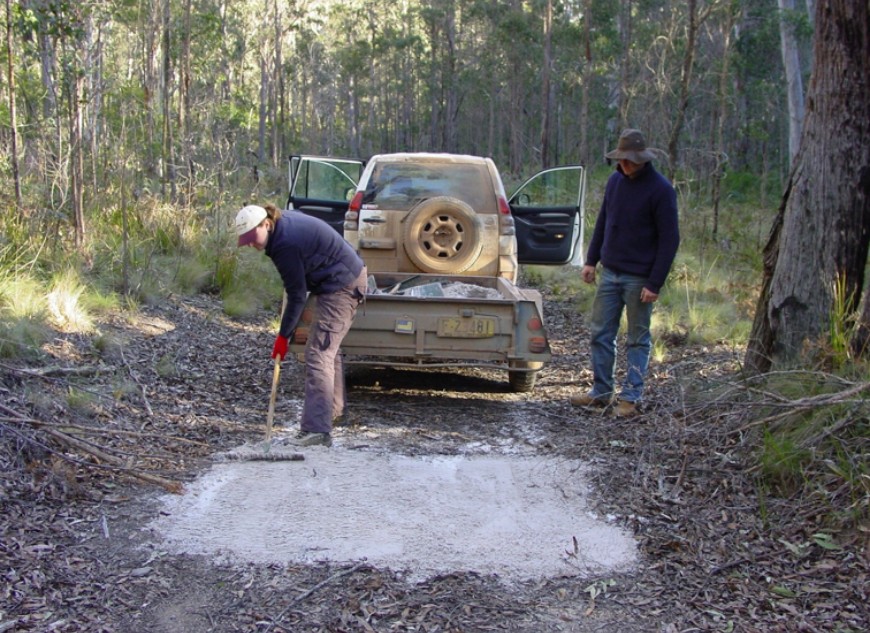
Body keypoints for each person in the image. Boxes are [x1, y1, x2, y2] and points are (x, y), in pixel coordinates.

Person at [235, 203, 367, 446]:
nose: (251, 245)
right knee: (327, 350)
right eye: (246, 241)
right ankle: (331, 413)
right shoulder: (282, 226)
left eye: (253, 238)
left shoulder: (285, 244)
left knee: (318, 354)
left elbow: (296, 294)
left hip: (342, 283)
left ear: (266, 224)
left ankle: (317, 431)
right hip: (338, 276)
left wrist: (283, 337)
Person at [570, 129, 680, 417]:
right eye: (622, 160)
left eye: (630, 161)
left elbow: (670, 240)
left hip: (639, 278)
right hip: (610, 272)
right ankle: (602, 392)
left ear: (642, 159)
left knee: (637, 339)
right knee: (601, 333)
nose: (625, 165)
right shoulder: (615, 181)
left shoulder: (661, 190)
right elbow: (604, 221)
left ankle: (630, 398)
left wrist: (655, 282)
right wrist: (591, 260)